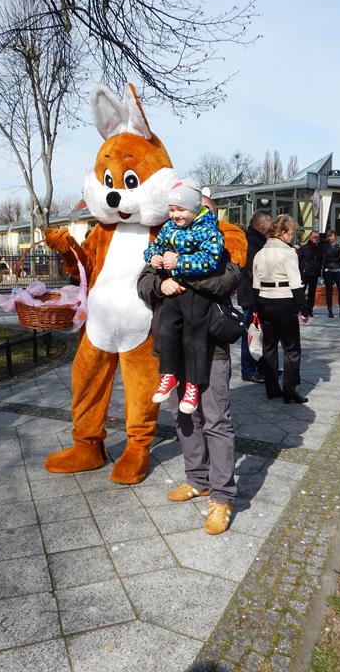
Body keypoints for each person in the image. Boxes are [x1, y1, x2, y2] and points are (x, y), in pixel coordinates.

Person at [137, 217, 245, 536]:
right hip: (174, 350)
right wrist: (160, 284)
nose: (181, 218)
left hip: (211, 349)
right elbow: (144, 281)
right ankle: (198, 479)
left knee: (216, 420)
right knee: (182, 415)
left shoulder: (218, 243)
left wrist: (180, 269)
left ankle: (222, 497)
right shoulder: (168, 239)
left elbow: (226, 281)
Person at [144, 178, 224, 414]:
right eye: (171, 209)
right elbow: (155, 246)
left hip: (196, 294)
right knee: (166, 329)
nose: (175, 215)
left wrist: (180, 262)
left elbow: (211, 259)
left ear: (195, 208)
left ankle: (192, 385)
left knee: (194, 337)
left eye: (181, 209)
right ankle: (169, 375)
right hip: (173, 291)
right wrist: (152, 257)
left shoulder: (208, 230)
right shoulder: (169, 228)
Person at [253, 214, 309, 404]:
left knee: (269, 347)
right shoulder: (288, 253)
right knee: (291, 349)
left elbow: (255, 284)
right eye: (291, 233)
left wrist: (256, 308)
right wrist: (304, 309)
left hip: (264, 301)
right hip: (284, 301)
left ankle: (272, 389)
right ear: (283, 232)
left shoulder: (260, 253)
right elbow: (296, 284)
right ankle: (290, 390)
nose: (292, 237)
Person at [236, 210, 272, 382]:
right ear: (260, 224)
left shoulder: (260, 241)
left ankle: (262, 367)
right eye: (269, 221)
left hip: (256, 294)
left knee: (260, 333)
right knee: (251, 333)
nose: (272, 225)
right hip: (251, 295)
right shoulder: (251, 241)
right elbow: (253, 270)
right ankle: (249, 370)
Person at [321, 230, 340, 318]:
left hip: (338, 270)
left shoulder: (339, 246)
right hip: (328, 270)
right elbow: (326, 258)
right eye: (329, 236)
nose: (330, 238)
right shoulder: (325, 247)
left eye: (332, 236)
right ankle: (330, 310)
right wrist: (334, 255)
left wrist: (338, 252)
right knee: (329, 291)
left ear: (335, 237)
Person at [297, 230, 323, 316]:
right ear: (310, 237)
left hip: (314, 274)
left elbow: (320, 260)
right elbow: (298, 260)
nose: (316, 239)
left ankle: (309, 310)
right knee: (301, 292)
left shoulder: (319, 248)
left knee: (312, 293)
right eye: (315, 237)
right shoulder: (304, 248)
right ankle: (300, 309)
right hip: (305, 274)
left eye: (318, 237)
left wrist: (319, 270)